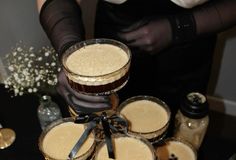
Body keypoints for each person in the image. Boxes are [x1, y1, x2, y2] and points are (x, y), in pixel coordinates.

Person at [37, 0, 236, 116]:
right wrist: (70, 52)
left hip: (191, 43)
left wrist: (180, 27)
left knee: (180, 121)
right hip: (115, 38)